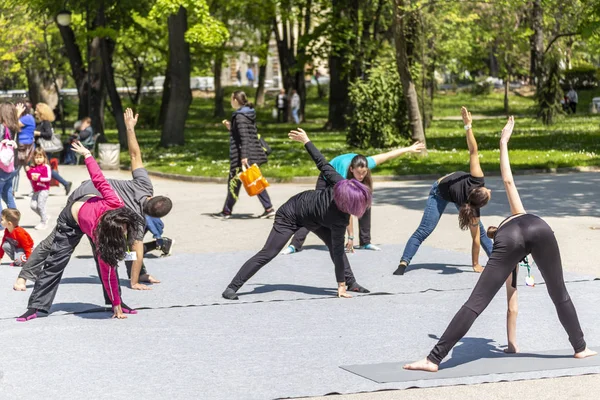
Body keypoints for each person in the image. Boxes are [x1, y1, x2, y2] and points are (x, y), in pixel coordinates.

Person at [402, 116, 597, 372]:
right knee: (559, 293)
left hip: (518, 236)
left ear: (495, 233)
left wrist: (503, 142)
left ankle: (433, 359)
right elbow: (508, 180)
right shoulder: (519, 213)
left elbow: (510, 299)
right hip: (541, 227)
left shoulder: (506, 240)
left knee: (476, 302)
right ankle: (580, 348)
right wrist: (503, 142)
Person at [13, 108, 172, 294]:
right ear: (150, 215)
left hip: (87, 192)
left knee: (105, 242)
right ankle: (24, 276)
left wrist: (130, 128)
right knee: (61, 240)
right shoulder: (138, 220)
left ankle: (23, 278)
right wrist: (135, 282)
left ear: (153, 197)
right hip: (83, 203)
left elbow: (135, 155)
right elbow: (135, 250)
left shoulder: (145, 186)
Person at [222, 128, 372, 300]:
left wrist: (341, 286)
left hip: (316, 219)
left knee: (334, 246)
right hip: (291, 213)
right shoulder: (340, 182)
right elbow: (321, 162)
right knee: (269, 252)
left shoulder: (341, 218)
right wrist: (306, 141)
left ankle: (351, 283)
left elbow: (338, 252)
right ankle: (232, 287)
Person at [17, 141, 145, 322]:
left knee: (110, 262)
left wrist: (88, 155)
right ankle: (36, 307)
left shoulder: (116, 203)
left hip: (95, 220)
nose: (125, 232)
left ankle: (116, 301)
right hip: (70, 219)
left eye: (124, 229)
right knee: (56, 261)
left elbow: (99, 179)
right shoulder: (101, 235)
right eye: (122, 231)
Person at [394, 107, 492, 275]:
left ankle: (498, 260)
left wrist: (468, 126)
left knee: (480, 232)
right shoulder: (474, 202)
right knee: (425, 230)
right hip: (439, 192)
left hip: (446, 192)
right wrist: (475, 265)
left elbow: (473, 151)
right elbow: (475, 239)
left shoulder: (477, 180)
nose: (489, 189)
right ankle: (404, 262)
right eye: (488, 192)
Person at [282, 141, 426, 255]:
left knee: (365, 201)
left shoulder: (365, 163)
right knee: (314, 211)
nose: (362, 176)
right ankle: (295, 245)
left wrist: (408, 149)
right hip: (326, 178)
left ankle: (365, 241)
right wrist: (350, 237)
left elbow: (388, 155)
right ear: (352, 170)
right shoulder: (342, 176)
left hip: (347, 173)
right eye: (359, 173)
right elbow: (346, 211)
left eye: (364, 173)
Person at [212, 91, 275, 220]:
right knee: (253, 180)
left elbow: (244, 137)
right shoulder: (247, 113)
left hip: (243, 154)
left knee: (235, 182)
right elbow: (245, 132)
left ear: (235, 100)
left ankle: (226, 212)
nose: (230, 101)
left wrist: (244, 157)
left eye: (231, 99)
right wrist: (232, 127)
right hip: (251, 152)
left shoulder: (240, 116)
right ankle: (268, 209)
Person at [34, 102, 72, 195]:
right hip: (43, 148)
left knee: (45, 169)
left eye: (37, 110)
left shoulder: (46, 123)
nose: (35, 112)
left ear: (41, 112)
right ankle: (63, 183)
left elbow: (48, 135)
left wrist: (37, 133)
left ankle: (65, 183)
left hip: (46, 149)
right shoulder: (43, 122)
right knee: (44, 168)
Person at [0, 102, 19, 215]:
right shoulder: (14, 127)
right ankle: (14, 220)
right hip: (12, 165)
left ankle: (1, 226)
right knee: (7, 193)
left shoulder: (2, 127)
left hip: (2, 167)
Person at [26, 148, 52, 229]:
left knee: (41, 206)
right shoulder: (33, 168)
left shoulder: (46, 167)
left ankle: (43, 222)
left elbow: (48, 178)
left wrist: (39, 178)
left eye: (40, 157)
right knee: (33, 206)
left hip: (44, 189)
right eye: (36, 157)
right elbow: (30, 178)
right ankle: (45, 216)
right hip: (36, 190)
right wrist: (28, 172)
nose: (38, 159)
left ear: (44, 158)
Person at [16, 101, 36, 192]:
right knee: (27, 169)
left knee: (16, 169)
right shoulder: (27, 118)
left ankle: (12, 191)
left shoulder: (26, 118)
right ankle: (35, 188)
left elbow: (13, 124)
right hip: (25, 146)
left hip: (24, 147)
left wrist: (17, 112)